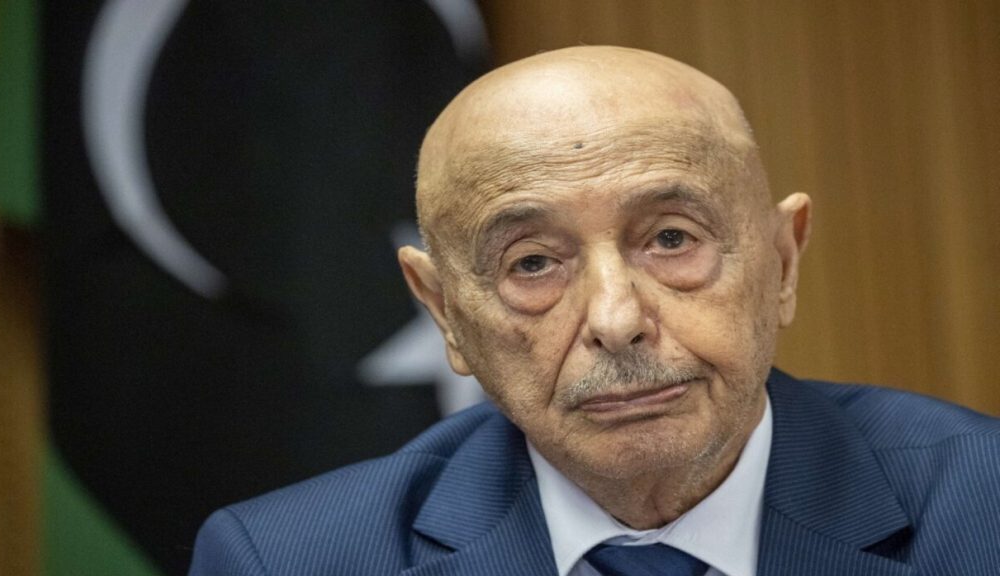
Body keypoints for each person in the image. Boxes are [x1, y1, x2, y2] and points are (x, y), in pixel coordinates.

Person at [188, 46, 1000, 576]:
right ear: (445, 311)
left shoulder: (983, 508)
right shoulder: (287, 561)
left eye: (672, 239)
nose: (616, 320)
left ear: (782, 262)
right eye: (532, 263)